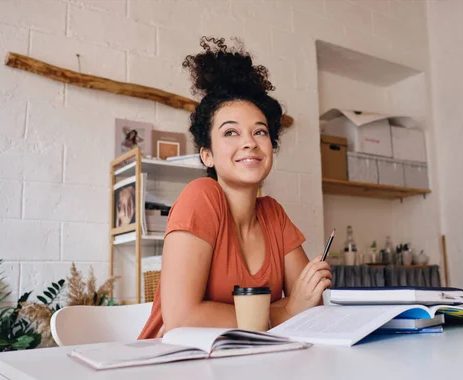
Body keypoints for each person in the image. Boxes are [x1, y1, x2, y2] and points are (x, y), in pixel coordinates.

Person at [138, 37, 331, 339]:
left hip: (246, 367)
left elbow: (312, 303)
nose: (249, 142)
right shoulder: (201, 196)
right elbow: (183, 318)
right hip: (175, 371)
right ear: (207, 155)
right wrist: (285, 311)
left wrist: (294, 307)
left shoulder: (273, 214)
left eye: (260, 131)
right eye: (231, 132)